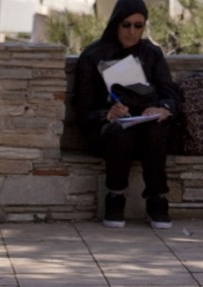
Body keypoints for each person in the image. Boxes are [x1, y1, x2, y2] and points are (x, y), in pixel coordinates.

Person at [74, 0, 180, 230]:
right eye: (126, 25)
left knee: (154, 131)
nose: (132, 32)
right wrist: (108, 114)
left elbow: (170, 94)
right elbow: (84, 108)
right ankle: (115, 196)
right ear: (116, 24)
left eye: (138, 26)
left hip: (147, 126)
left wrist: (162, 109)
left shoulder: (151, 53)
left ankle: (157, 199)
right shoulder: (93, 55)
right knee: (120, 134)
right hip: (109, 129)